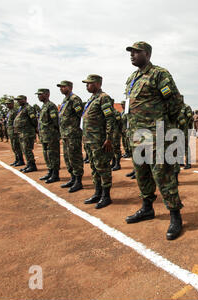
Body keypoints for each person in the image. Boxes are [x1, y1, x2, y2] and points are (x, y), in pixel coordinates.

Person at [123, 41, 184, 240]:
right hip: (137, 137)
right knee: (142, 174)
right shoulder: (132, 78)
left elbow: (175, 102)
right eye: (131, 52)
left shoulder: (159, 74)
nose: (132, 55)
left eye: (136, 52)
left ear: (147, 54)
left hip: (156, 136)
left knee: (163, 175)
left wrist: (164, 126)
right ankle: (147, 208)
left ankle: (175, 215)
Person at [81, 74, 117, 209]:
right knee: (94, 167)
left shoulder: (103, 98)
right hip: (90, 140)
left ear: (96, 84)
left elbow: (110, 118)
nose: (86, 86)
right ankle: (98, 193)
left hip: (99, 140)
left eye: (89, 83)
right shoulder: (92, 99)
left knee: (103, 167)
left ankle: (106, 196)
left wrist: (108, 138)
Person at [57, 80, 84, 192]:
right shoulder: (65, 100)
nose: (61, 89)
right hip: (65, 134)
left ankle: (78, 181)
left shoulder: (74, 99)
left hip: (73, 134)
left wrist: (79, 130)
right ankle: (72, 178)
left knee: (75, 157)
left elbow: (81, 115)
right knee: (68, 157)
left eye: (63, 87)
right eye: (60, 87)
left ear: (70, 87)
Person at [36, 88, 61, 183]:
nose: (39, 96)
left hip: (51, 135)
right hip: (44, 136)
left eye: (40, 94)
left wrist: (54, 132)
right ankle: (50, 171)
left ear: (47, 94)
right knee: (46, 154)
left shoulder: (51, 106)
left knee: (53, 154)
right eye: (38, 95)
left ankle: (55, 174)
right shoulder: (43, 106)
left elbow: (55, 121)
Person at [13, 95, 38, 173]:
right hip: (22, 132)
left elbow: (33, 119)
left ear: (25, 100)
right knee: (24, 149)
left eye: (20, 100)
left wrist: (34, 129)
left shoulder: (29, 108)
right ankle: (28, 164)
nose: (18, 101)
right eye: (17, 100)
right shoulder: (21, 109)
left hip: (27, 132)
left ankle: (32, 165)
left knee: (27, 149)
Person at [5, 98, 24, 166]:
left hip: (14, 131)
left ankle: (20, 160)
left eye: (9, 104)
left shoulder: (15, 111)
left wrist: (16, 131)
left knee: (17, 146)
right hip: (10, 131)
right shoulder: (9, 112)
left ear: (12, 104)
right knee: (14, 147)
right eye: (6, 104)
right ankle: (17, 159)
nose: (7, 105)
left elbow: (17, 121)